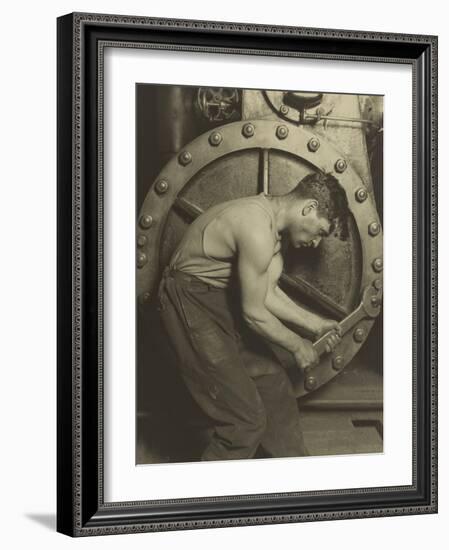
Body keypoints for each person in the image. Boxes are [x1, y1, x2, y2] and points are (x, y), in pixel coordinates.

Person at [156, 171, 350, 461]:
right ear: (308, 208)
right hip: (187, 299)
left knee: (273, 384)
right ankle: (204, 500)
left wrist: (316, 324)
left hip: (217, 299)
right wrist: (297, 345)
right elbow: (253, 312)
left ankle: (296, 478)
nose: (317, 243)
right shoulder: (256, 227)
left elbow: (267, 293)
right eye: (321, 231)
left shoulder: (274, 232)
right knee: (245, 420)